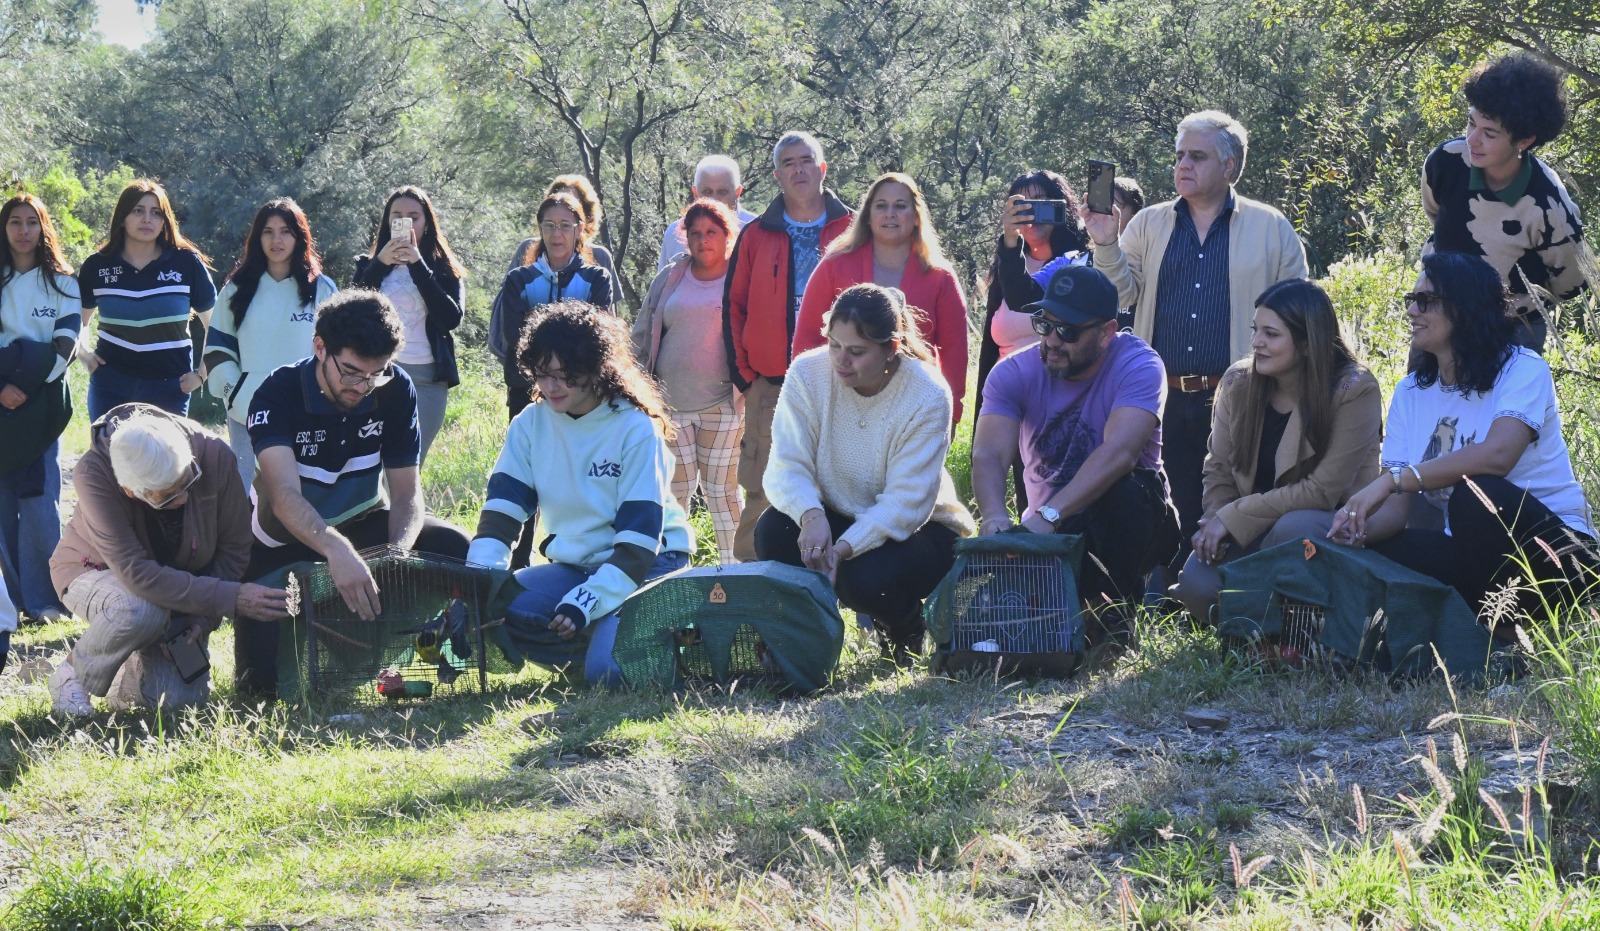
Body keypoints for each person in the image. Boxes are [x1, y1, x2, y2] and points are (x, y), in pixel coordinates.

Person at [1330, 252, 1598, 633]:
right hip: (1479, 561)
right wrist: (1354, 530)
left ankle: (1507, 641)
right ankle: (1453, 631)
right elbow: (1395, 513)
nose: (1412, 311)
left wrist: (1393, 479)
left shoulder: (1522, 368)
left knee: (1475, 495)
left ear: (1465, 307)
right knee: (1380, 555)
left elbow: (1498, 455)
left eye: (1426, 301)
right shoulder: (1410, 392)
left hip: (1560, 558)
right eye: (1411, 300)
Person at [1083, 111, 1308, 565]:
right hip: (1162, 393)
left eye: (1197, 156)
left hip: (1243, 392)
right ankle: (1165, 592)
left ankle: (1230, 593)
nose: (1183, 165)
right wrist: (1106, 243)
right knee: (1167, 498)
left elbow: (1300, 312)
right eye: (1180, 155)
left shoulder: (1271, 227)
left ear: (1228, 167)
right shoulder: (1148, 223)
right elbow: (1119, 294)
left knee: (1235, 495)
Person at [234, 290, 471, 698]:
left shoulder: (394, 388)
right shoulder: (277, 392)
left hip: (363, 524)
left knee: (453, 546)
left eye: (375, 373)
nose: (363, 386)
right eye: (351, 372)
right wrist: (335, 550)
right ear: (319, 347)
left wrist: (395, 557)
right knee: (260, 692)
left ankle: (436, 655)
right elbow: (285, 496)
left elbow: (408, 494)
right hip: (281, 543)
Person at [467, 303, 693, 684]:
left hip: (649, 564)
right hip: (577, 566)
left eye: (564, 376)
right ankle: (600, 638)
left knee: (608, 675)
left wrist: (584, 603)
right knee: (493, 613)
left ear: (595, 370)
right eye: (541, 375)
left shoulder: (635, 428)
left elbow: (639, 546)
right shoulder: (530, 425)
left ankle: (640, 635)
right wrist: (475, 584)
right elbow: (501, 516)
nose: (550, 387)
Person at [758, 284, 974, 661]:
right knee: (774, 532)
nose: (841, 360)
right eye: (834, 345)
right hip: (835, 509)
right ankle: (800, 634)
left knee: (861, 577)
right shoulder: (807, 373)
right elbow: (787, 462)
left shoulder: (926, 392)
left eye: (857, 352)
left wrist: (840, 550)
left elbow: (907, 503)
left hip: (920, 530)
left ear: (891, 349)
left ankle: (906, 627)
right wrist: (810, 514)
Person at [971, 264, 1177, 642]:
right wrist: (996, 519)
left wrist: (1050, 514)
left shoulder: (1139, 364)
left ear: (1106, 333)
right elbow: (989, 455)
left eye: (1067, 330)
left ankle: (1114, 612)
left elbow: (1120, 453)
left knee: (1125, 492)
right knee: (988, 621)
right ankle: (1069, 611)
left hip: (1132, 521)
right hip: (1050, 531)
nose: (1052, 340)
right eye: (1044, 324)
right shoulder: (1012, 372)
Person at [46, 406, 289, 715]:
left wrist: (201, 619)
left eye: (188, 481)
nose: (184, 499)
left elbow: (235, 549)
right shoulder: (93, 474)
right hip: (96, 572)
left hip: (183, 595)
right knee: (140, 609)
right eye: (168, 496)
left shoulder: (215, 454)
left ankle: (125, 671)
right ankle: (72, 675)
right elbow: (137, 574)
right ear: (130, 491)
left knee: (181, 703)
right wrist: (231, 597)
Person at [1169, 279, 1382, 623]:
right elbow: (1219, 467)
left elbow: (1322, 492)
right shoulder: (1239, 382)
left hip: (1327, 525)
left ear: (1308, 342)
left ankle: (1300, 622)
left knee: (1291, 528)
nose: (1256, 343)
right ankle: (1259, 620)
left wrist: (1233, 518)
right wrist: (1216, 516)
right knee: (1197, 587)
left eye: (1271, 334)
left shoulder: (1353, 390)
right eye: (1255, 330)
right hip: (1251, 526)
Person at [723, 130, 854, 561]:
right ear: (777, 175)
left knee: (848, 487)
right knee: (764, 486)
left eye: (806, 160)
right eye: (788, 163)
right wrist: (747, 380)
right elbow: (733, 307)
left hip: (847, 381)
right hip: (772, 384)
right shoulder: (757, 234)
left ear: (822, 168)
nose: (798, 169)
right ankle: (752, 599)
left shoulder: (853, 228)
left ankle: (855, 605)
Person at [1422, 54, 1590, 352]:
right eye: (1470, 123)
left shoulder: (1548, 204)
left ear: (1524, 140)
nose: (1472, 140)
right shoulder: (1445, 162)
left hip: (1511, 332)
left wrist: (1514, 304)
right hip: (1436, 315)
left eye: (1489, 133)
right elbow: (1435, 213)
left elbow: (1572, 281)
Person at [791, 172, 970, 422]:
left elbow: (954, 353)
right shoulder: (835, 264)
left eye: (900, 206)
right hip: (840, 401)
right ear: (867, 215)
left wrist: (951, 414)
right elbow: (807, 338)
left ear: (916, 217)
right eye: (881, 206)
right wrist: (808, 400)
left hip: (912, 407)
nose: (890, 214)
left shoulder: (940, 276)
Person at [632, 198, 742, 563]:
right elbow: (643, 331)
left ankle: (737, 577)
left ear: (727, 235)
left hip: (722, 407)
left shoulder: (741, 277)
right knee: (673, 494)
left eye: (712, 232)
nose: (703, 240)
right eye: (695, 233)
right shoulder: (671, 276)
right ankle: (670, 575)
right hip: (669, 407)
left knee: (722, 495)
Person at [978, 171, 1092, 510]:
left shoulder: (1079, 261)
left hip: (1065, 402)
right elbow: (1010, 309)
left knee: (1061, 502)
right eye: (1022, 205)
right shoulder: (1008, 265)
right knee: (1027, 501)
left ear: (1062, 207)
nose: (1032, 214)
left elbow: (1031, 301)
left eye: (1041, 203)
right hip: (1013, 402)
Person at [204, 198, 338, 486]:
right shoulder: (236, 290)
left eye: (285, 231)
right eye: (268, 231)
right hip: (247, 411)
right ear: (257, 237)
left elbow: (337, 353)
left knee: (303, 490)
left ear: (300, 236)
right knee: (244, 491)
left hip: (308, 410)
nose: (276, 240)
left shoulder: (322, 289)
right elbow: (217, 348)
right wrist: (235, 393)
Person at [0, 193, 80, 625]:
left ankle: (47, 599)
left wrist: (22, 379)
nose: (24, 230)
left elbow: (64, 347)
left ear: (44, 228)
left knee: (38, 502)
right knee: (2, 504)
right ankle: (15, 599)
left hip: (43, 403)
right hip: (0, 401)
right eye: (15, 221)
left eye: (32, 222)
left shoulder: (65, 284)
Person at [76, 179, 218, 420]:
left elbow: (214, 324)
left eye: (156, 213)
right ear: (122, 216)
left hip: (170, 386)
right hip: (111, 385)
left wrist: (201, 374)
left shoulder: (185, 263)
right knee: (108, 457)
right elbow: (76, 322)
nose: (147, 219)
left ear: (165, 220)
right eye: (138, 211)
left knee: (166, 458)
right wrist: (85, 355)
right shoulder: (97, 265)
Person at [351, 186, 465, 467]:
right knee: (371, 462)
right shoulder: (368, 265)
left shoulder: (444, 268)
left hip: (427, 378)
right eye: (397, 216)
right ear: (388, 223)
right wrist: (378, 266)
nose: (406, 223)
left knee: (408, 464)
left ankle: (404, 513)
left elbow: (451, 318)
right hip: (376, 376)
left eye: (414, 217)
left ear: (427, 223)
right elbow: (349, 314)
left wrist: (417, 265)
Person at [496, 191, 617, 416]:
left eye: (564, 225)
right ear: (540, 229)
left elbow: (598, 337)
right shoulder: (518, 279)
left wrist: (565, 374)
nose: (556, 233)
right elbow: (516, 337)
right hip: (526, 389)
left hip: (582, 391)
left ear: (579, 229)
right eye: (549, 225)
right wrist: (545, 374)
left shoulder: (597, 279)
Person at [656, 154, 758, 272]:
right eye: (707, 191)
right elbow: (662, 287)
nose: (714, 199)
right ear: (695, 193)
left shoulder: (756, 231)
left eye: (722, 191)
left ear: (738, 192)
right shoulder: (675, 234)